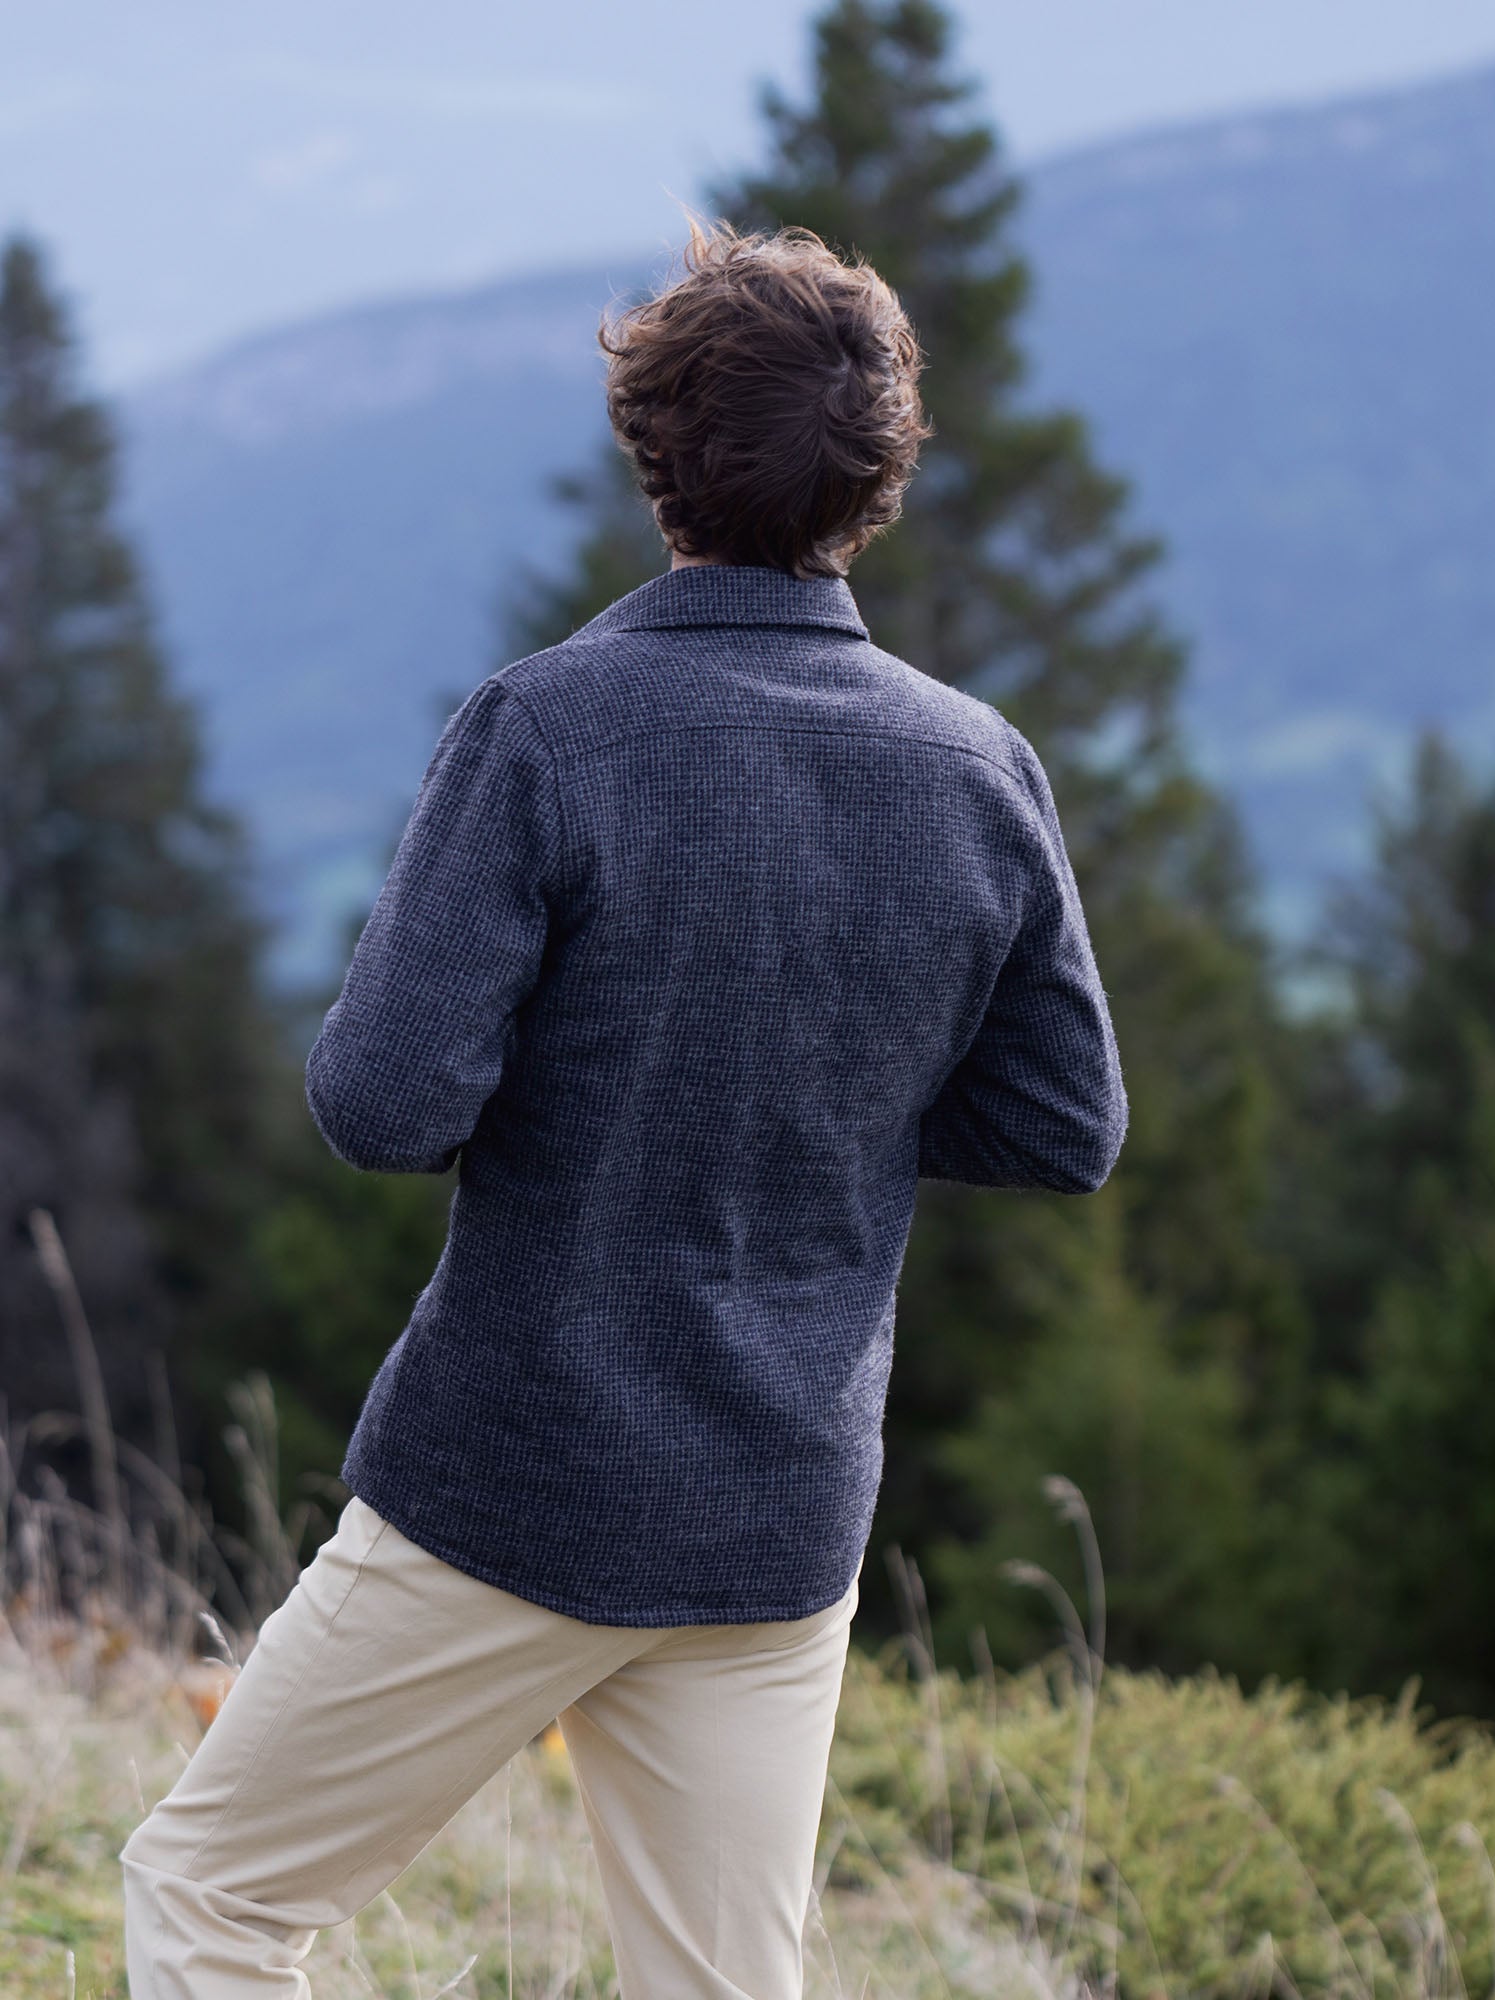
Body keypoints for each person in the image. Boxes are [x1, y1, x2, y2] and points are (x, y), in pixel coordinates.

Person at [119, 212, 1128, 2000]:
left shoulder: (550, 729)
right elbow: (1065, 1125)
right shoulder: (980, 767)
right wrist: (818, 1099)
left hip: (514, 1484)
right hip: (778, 1513)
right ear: (874, 476)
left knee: (211, 1899)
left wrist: (620, 1078)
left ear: (653, 450)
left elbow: (379, 1101)